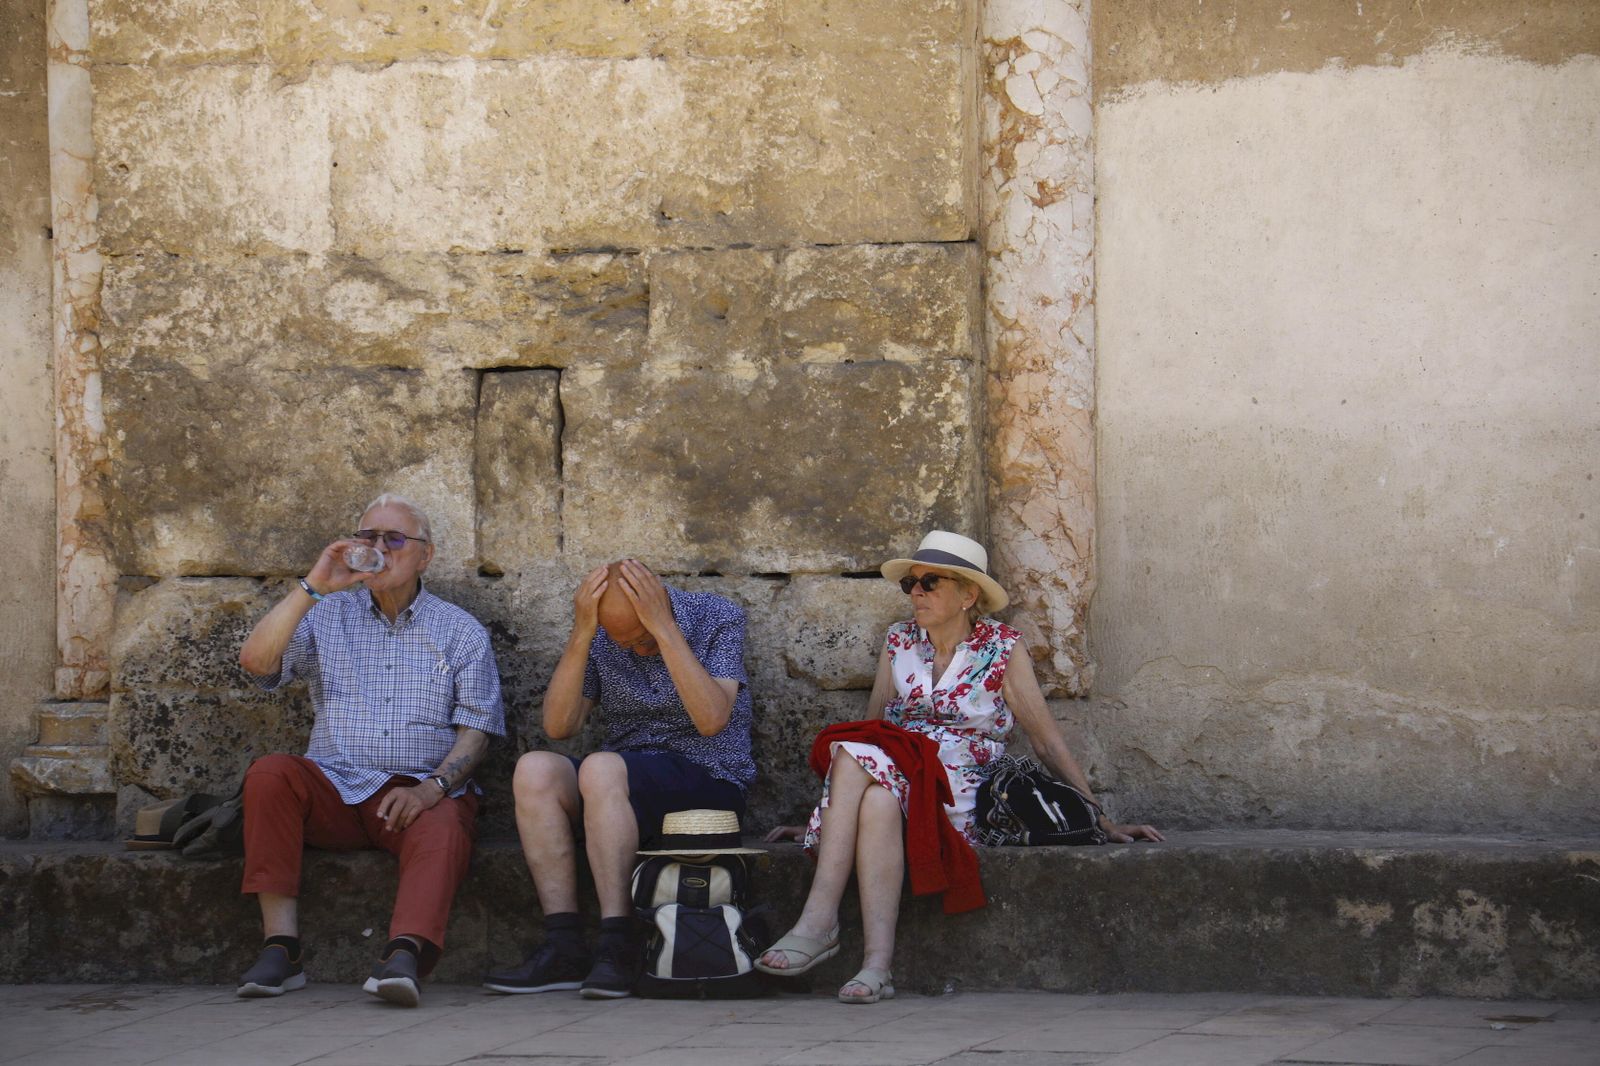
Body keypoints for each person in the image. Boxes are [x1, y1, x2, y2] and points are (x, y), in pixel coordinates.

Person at [756, 531, 1163, 1003]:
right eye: (911, 583)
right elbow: (873, 727)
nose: (916, 593)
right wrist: (829, 815)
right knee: (874, 791)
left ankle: (818, 921)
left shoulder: (1001, 649)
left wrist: (1101, 818)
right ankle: (877, 966)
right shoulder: (899, 641)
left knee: (857, 757)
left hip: (959, 792)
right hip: (900, 775)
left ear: (969, 595)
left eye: (930, 582)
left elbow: (1046, 740)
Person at [234, 493, 505, 1007]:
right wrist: (313, 586)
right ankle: (281, 949)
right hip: (335, 786)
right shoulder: (326, 613)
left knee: (446, 818)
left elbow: (478, 731)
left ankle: (402, 954)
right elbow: (256, 662)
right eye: (367, 537)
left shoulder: (460, 631)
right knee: (270, 774)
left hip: (415, 793)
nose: (378, 548)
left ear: (424, 555)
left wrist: (433, 788)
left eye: (394, 539)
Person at [485, 559, 755, 999]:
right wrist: (582, 634)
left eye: (641, 638)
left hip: (708, 775)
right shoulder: (603, 636)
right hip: (618, 785)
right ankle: (564, 944)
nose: (635, 649)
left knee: (601, 766)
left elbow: (711, 718)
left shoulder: (717, 617)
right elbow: (559, 726)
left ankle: (618, 941)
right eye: (623, 640)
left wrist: (664, 632)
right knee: (535, 770)